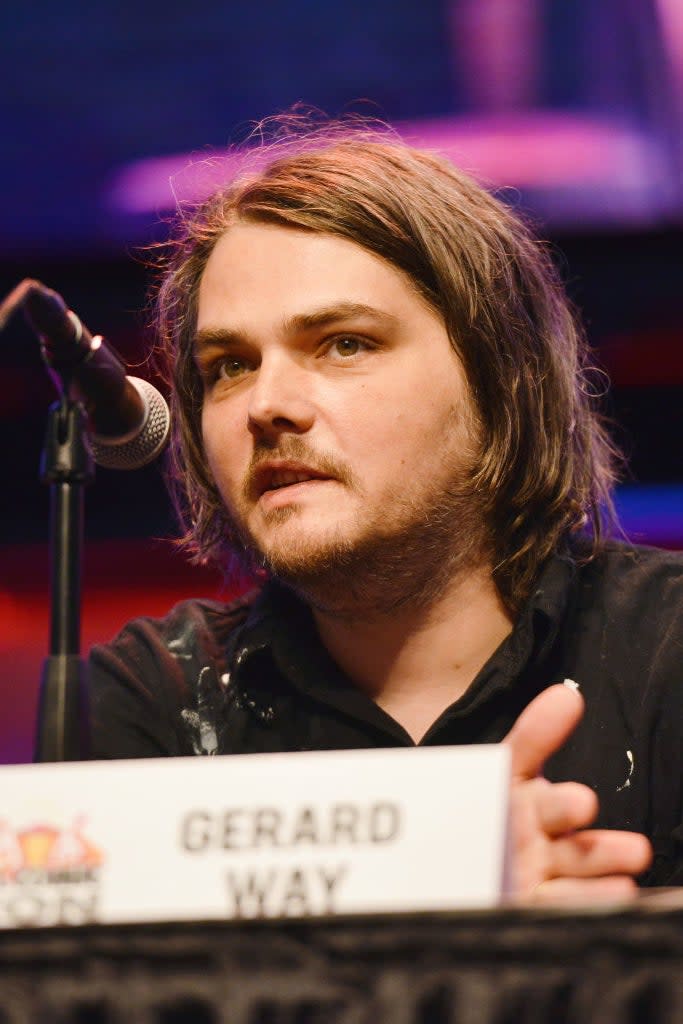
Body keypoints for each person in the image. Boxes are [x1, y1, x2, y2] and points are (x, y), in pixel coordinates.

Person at [88, 123, 682, 900]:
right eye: (229, 367)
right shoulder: (159, 696)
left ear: (499, 381)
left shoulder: (665, 651)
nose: (266, 406)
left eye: (343, 344)